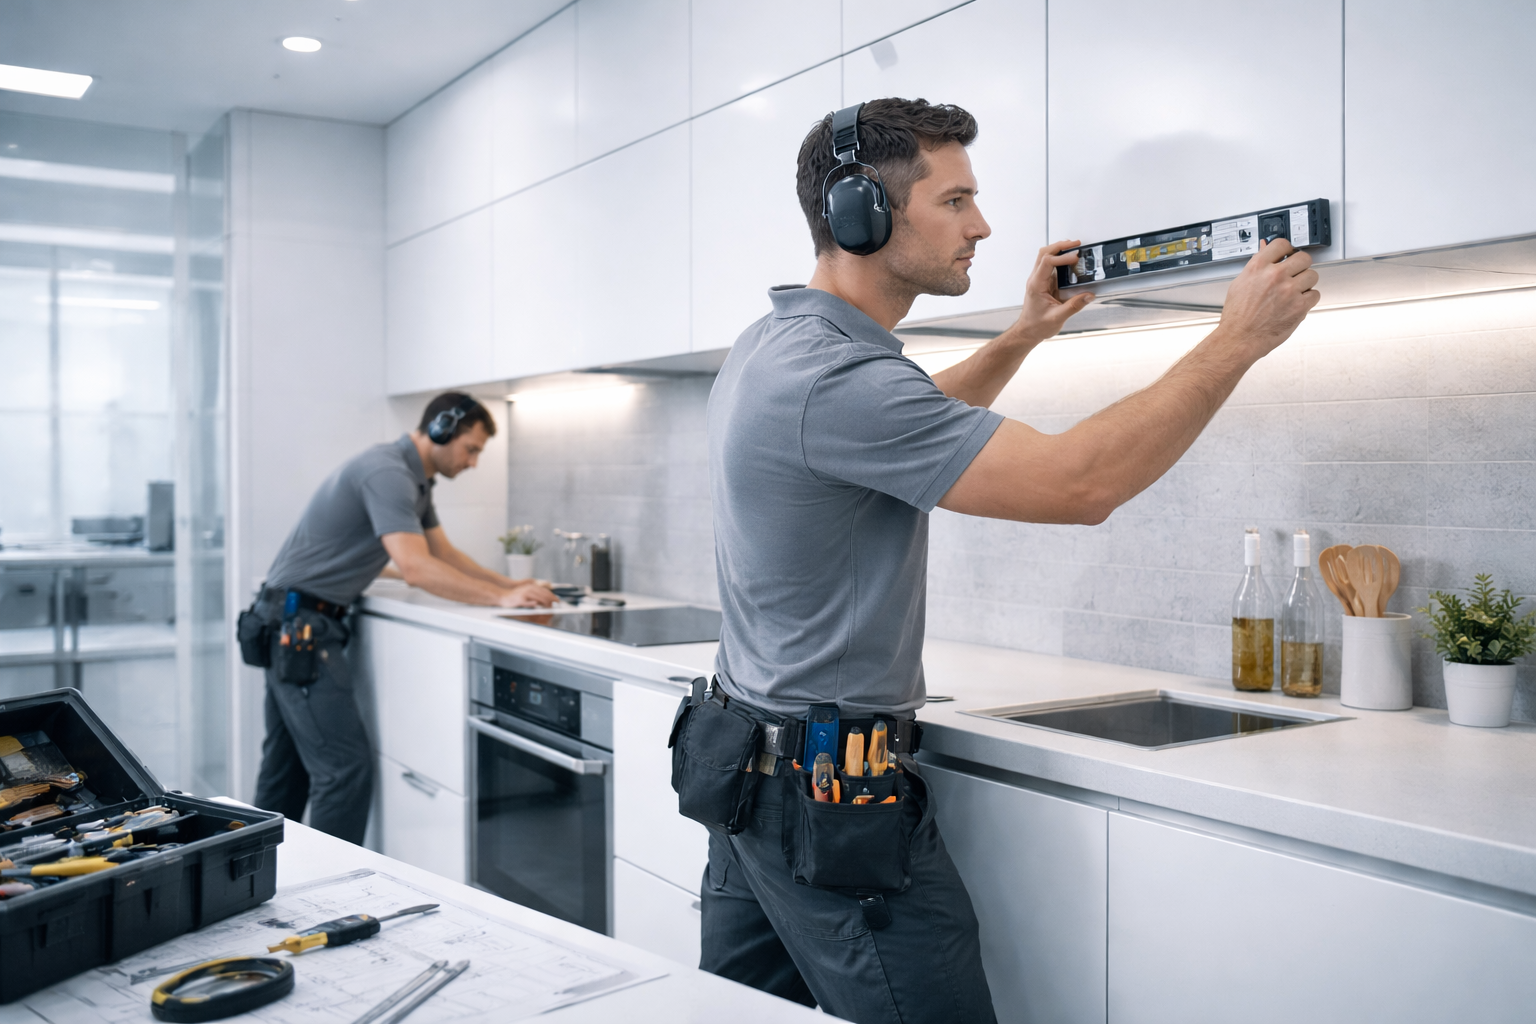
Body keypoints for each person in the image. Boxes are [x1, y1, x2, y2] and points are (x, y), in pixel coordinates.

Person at [699, 98, 1319, 1022]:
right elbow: (1080, 484)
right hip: (825, 801)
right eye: (955, 201)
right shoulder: (834, 376)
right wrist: (1237, 340)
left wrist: (1026, 334)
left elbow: (907, 426)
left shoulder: (785, 347)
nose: (982, 225)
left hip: (747, 766)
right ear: (859, 212)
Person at [245, 392, 555, 844]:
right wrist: (499, 599)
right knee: (344, 771)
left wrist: (510, 589)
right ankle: (335, 896)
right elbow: (416, 568)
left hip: (287, 621)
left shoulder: (415, 480)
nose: (473, 463)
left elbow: (443, 554)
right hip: (301, 627)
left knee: (285, 767)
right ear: (440, 429)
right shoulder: (388, 473)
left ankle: (260, 876)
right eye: (471, 449)